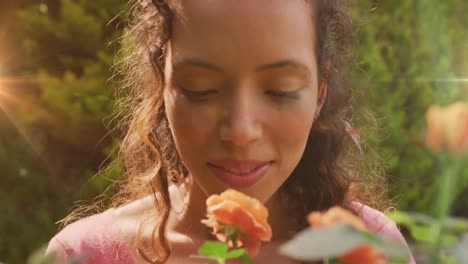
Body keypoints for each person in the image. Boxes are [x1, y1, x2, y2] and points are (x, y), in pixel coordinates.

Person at [46, 0, 415, 263]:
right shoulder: (85, 255)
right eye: (200, 89)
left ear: (320, 94)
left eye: (280, 90)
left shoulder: (364, 248)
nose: (240, 131)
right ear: (163, 86)